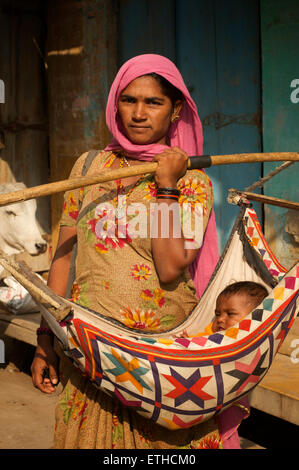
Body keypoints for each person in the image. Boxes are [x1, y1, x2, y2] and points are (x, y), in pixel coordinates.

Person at [31, 54, 238, 449]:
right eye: (128, 100)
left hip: (161, 367)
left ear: (175, 110)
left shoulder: (190, 183)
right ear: (115, 104)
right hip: (89, 353)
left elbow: (169, 268)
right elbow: (62, 257)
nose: (139, 114)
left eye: (153, 102)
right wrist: (46, 339)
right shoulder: (90, 166)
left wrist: (165, 188)